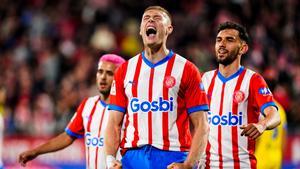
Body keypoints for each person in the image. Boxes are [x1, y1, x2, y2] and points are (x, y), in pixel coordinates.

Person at [105, 5, 210, 169]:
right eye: (146, 18)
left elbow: (202, 124)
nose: (151, 20)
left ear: (169, 29)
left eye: (157, 18)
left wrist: (189, 164)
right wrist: (110, 160)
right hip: (133, 158)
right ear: (140, 30)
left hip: (172, 157)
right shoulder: (125, 70)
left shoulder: (187, 69)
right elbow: (113, 122)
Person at [18, 54, 125, 169]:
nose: (103, 77)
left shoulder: (128, 110)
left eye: (109, 73)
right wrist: (35, 152)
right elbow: (67, 137)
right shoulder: (87, 105)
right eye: (100, 71)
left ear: (119, 77)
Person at [200, 21, 281, 168]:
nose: (222, 44)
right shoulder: (205, 79)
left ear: (243, 48)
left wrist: (262, 124)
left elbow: (275, 115)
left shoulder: (253, 80)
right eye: (219, 40)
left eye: (229, 40)